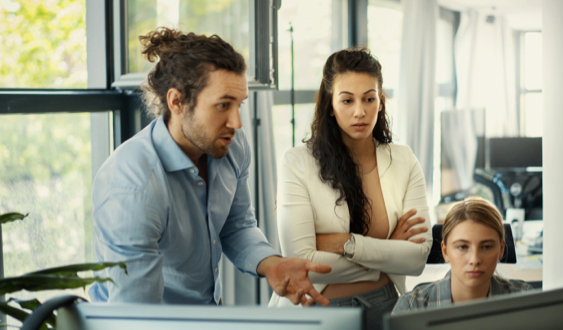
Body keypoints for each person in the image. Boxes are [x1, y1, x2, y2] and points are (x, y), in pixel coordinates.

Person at [88, 27, 331, 306]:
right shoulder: (132, 185)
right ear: (176, 101)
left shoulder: (231, 146)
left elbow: (236, 225)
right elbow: (137, 314)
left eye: (239, 105)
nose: (237, 123)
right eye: (223, 105)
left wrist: (271, 263)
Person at [268, 46, 433, 330]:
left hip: (386, 307)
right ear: (330, 104)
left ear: (381, 101)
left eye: (369, 99)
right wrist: (389, 253)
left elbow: (417, 258)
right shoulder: (297, 163)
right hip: (319, 309)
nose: (360, 111)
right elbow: (302, 261)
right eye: (347, 101)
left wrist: (347, 243)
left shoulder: (403, 159)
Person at [392, 197, 533, 314]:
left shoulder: (525, 299)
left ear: (501, 249)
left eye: (486, 247)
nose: (475, 260)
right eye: (462, 247)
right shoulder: (412, 307)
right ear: (445, 251)